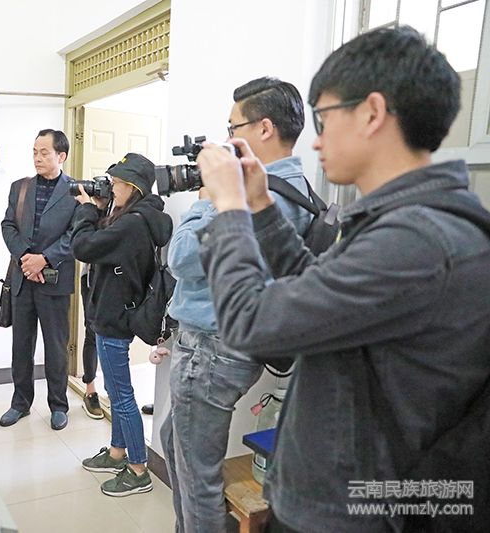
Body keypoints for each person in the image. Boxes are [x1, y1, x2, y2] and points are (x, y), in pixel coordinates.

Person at [195, 26, 490, 532]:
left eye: (324, 118)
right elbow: (316, 292)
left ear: (372, 112)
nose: (316, 139)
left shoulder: (416, 241)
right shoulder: (403, 223)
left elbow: (252, 323)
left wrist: (229, 208)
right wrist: (261, 206)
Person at [160, 77, 312, 533]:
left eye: (233, 127)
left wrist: (207, 200)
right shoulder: (286, 187)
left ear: (264, 128)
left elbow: (182, 258)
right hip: (216, 344)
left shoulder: (267, 194)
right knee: (174, 442)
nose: (227, 139)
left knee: (198, 479)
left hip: (211, 349)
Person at [72, 153, 173, 497]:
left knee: (121, 394)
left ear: (133, 187)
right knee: (116, 389)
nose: (111, 187)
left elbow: (84, 247)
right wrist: (102, 209)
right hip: (111, 314)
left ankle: (139, 469)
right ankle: (117, 453)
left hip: (114, 318)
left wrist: (87, 211)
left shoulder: (133, 223)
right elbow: (107, 244)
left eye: (116, 183)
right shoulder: (130, 218)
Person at [0, 129, 77, 431]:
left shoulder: (75, 192)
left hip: (54, 281)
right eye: (34, 151)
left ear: (61, 156)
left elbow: (76, 234)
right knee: (21, 346)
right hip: (23, 278)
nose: (37, 158)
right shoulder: (20, 188)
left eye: (44, 152)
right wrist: (25, 258)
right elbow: (8, 225)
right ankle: (20, 403)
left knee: (56, 347)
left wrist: (44, 259)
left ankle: (59, 405)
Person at [79, 263, 103, 419]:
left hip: (119, 278)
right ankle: (90, 391)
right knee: (92, 332)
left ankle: (113, 389)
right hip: (92, 277)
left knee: (117, 335)